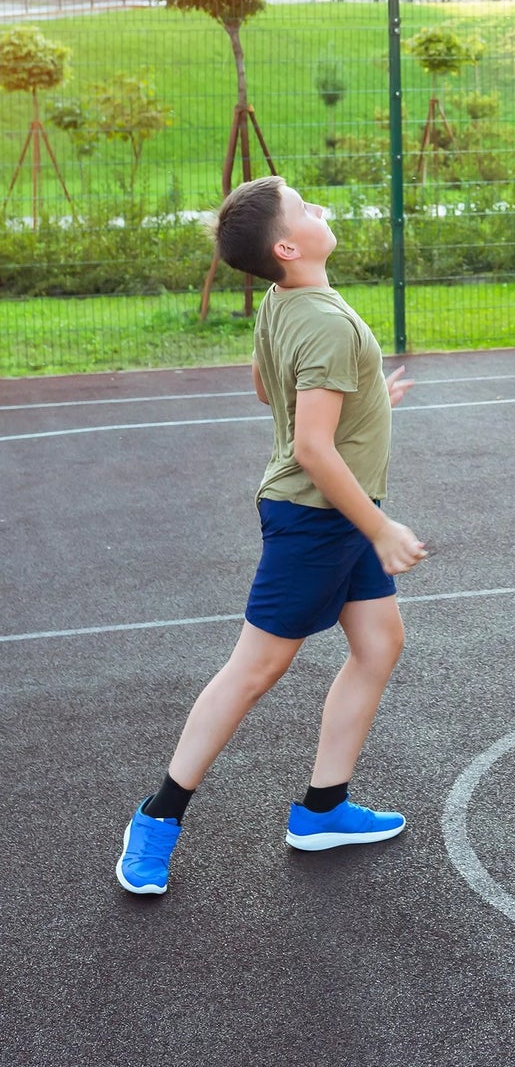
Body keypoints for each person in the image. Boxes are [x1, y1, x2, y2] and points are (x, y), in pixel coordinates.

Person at [116, 176, 428, 895]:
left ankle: (322, 809)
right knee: (253, 669)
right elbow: (316, 448)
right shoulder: (324, 319)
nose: (322, 208)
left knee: (378, 644)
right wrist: (380, 527)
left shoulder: (281, 300)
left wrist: (371, 396)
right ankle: (156, 818)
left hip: (328, 514)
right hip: (318, 516)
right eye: (306, 207)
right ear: (288, 245)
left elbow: (267, 385)